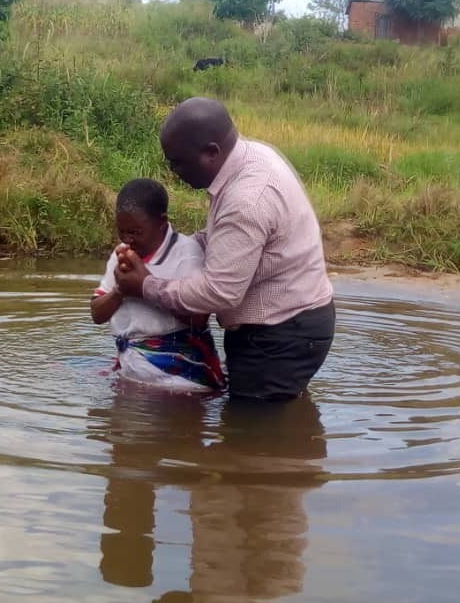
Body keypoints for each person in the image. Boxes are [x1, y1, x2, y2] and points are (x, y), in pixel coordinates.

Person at [113, 98, 334, 401]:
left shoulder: (246, 200)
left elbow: (219, 292)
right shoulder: (252, 156)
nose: (173, 170)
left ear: (211, 152)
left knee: (251, 436)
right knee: (273, 418)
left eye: (178, 161)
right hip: (294, 323)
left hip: (280, 335)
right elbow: (224, 237)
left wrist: (145, 285)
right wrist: (173, 250)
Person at [92, 177, 225, 393]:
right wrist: (120, 291)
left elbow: (199, 318)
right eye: (122, 231)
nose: (128, 239)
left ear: (162, 223)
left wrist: (144, 287)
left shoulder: (186, 253)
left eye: (136, 232)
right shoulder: (121, 254)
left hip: (183, 378)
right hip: (132, 369)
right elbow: (96, 314)